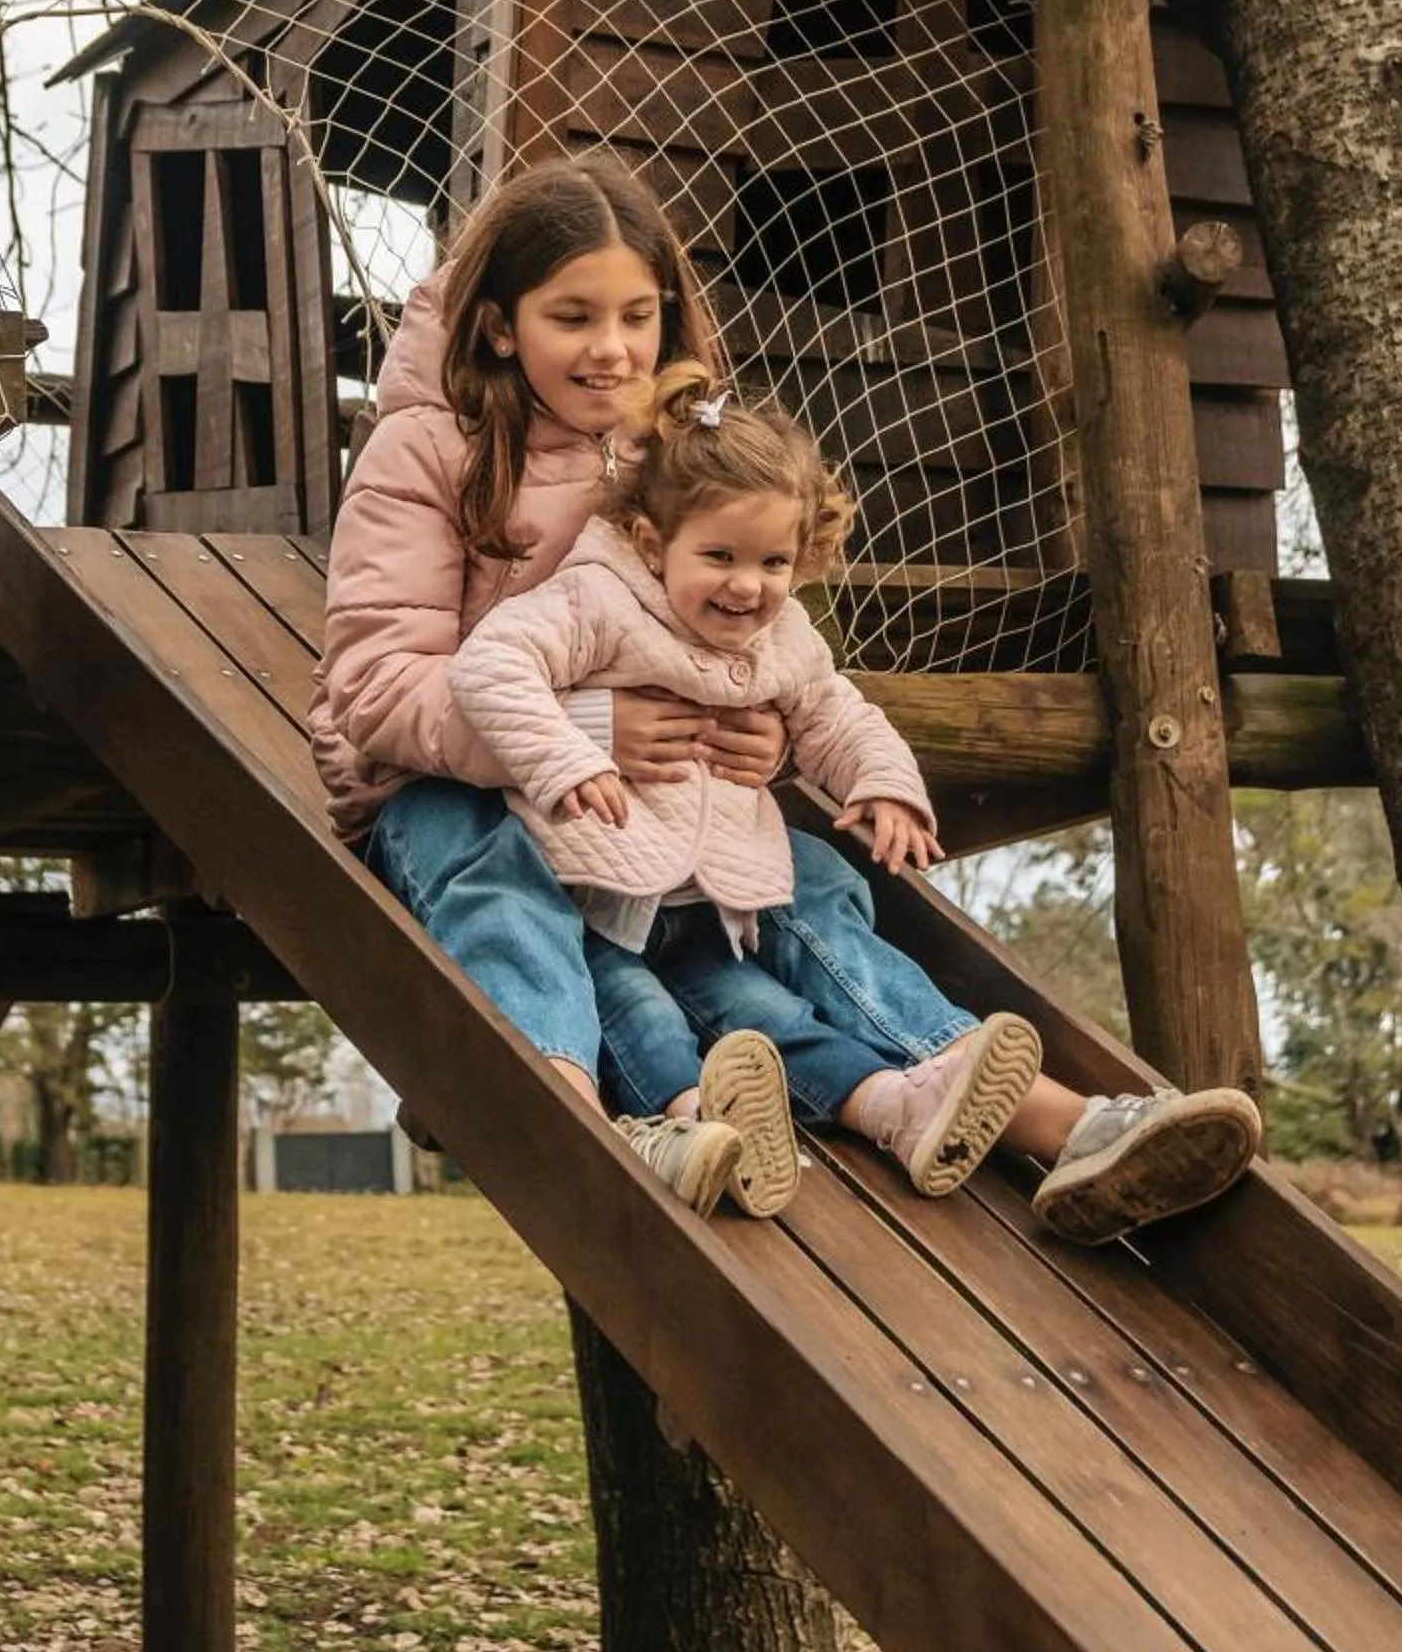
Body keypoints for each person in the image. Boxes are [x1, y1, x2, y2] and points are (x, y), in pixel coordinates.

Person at [310, 153, 1260, 1243]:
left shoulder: (673, 446)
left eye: (636, 316)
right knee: (502, 871)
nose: (611, 348)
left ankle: (1048, 1119)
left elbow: (776, 651)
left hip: (653, 809)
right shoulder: (429, 449)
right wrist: (589, 732)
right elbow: (376, 687)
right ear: (496, 326)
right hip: (448, 785)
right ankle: (571, 1113)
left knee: (800, 884)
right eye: (572, 317)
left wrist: (760, 732)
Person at [449, 364, 1265, 1242]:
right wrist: (568, 755)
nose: (747, 587)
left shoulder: (783, 637)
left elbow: (838, 715)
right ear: (652, 544)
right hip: (597, 901)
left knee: (775, 1015)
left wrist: (885, 787)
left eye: (773, 562)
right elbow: (490, 665)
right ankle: (695, 1127)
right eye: (719, 557)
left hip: (717, 911)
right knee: (642, 1015)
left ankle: (907, 1107)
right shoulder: (597, 600)